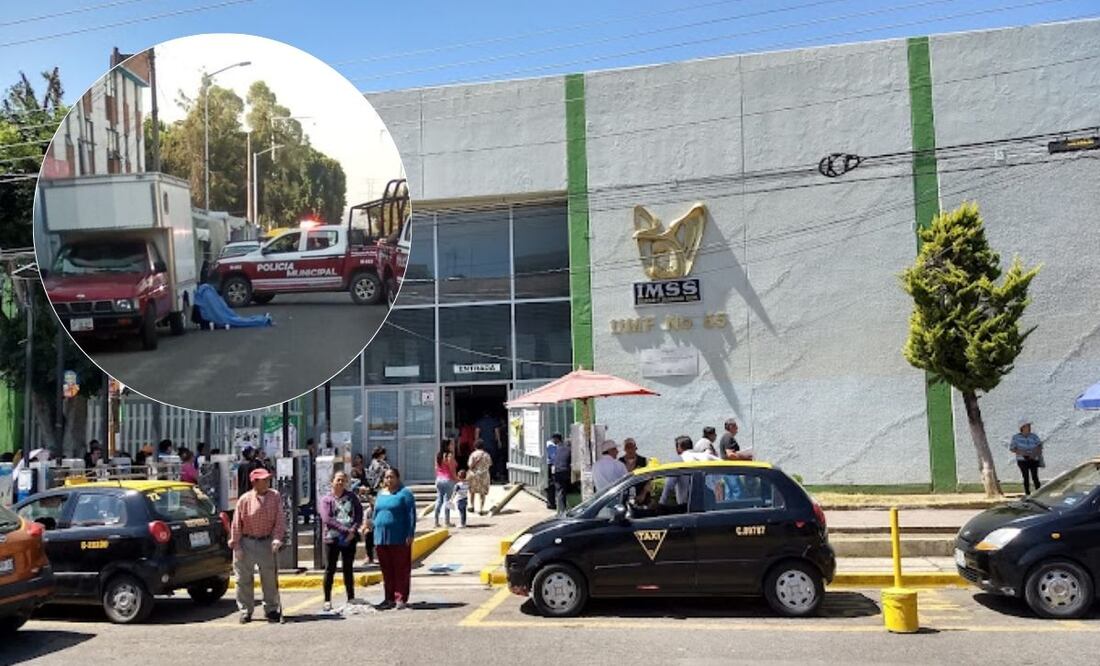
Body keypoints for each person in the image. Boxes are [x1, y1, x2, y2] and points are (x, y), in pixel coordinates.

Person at [228, 467, 286, 623]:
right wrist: (236, 545)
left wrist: (277, 538)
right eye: (264, 479)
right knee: (243, 579)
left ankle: (271, 608)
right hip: (246, 541)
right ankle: (245, 610)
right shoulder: (244, 499)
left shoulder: (275, 496)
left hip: (266, 541)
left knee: (269, 577)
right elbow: (236, 524)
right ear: (255, 482)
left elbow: (280, 519)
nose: (267, 482)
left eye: (268, 479)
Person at [372, 467, 417, 610]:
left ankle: (400, 598)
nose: (389, 480)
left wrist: (410, 533)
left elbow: (411, 515)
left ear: (398, 478)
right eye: (386, 477)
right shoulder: (380, 494)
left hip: (399, 536)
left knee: (401, 569)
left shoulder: (405, 494)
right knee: (387, 570)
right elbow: (375, 513)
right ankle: (388, 598)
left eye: (391, 477)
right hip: (381, 538)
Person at [318, 471, 363, 612]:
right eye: (338, 480)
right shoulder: (326, 499)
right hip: (332, 538)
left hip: (349, 538)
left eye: (343, 480)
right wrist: (345, 530)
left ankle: (351, 597)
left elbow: (359, 513)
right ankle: (327, 599)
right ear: (332, 481)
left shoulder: (351, 497)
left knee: (348, 569)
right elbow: (327, 519)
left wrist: (353, 530)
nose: (340, 483)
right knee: (330, 569)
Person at [1010, 418, 1043, 495]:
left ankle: (1039, 493)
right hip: (1022, 460)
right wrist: (1022, 453)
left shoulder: (1034, 436)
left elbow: (1039, 445)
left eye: (1029, 426)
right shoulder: (1016, 437)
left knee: (1035, 476)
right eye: (1028, 426)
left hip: (1033, 459)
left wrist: (1035, 454)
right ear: (1022, 427)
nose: (1029, 427)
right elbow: (1012, 448)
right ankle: (1027, 493)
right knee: (1026, 477)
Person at [434, 441, 458, 528]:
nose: (453, 446)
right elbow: (452, 470)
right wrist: (456, 479)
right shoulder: (449, 456)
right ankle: (447, 521)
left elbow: (436, 468)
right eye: (451, 444)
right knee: (447, 501)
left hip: (439, 479)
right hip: (448, 480)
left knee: (439, 500)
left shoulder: (438, 456)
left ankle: (436, 521)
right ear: (447, 446)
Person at [474, 411, 503, 481]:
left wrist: (476, 443)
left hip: (482, 445)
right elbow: (497, 432)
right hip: (492, 444)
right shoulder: (494, 421)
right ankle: (491, 476)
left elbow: (477, 432)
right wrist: (499, 441)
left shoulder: (479, 422)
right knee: (492, 460)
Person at [467, 440, 493, 515]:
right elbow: (490, 464)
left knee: (472, 491)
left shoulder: (473, 454)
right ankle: (481, 509)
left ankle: (472, 506)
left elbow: (470, 465)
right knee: (482, 493)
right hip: (484, 475)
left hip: (474, 475)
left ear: (475, 446)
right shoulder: (486, 455)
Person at [553, 437, 572, 517]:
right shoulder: (569, 450)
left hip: (556, 472)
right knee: (562, 492)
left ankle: (559, 510)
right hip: (564, 472)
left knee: (559, 491)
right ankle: (562, 511)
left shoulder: (558, 449)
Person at [545, 433, 562, 510]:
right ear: (556, 439)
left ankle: (550, 502)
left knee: (549, 485)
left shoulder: (548, 444)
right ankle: (551, 503)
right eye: (558, 441)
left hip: (548, 466)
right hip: (550, 466)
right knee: (551, 485)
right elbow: (553, 457)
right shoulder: (551, 445)